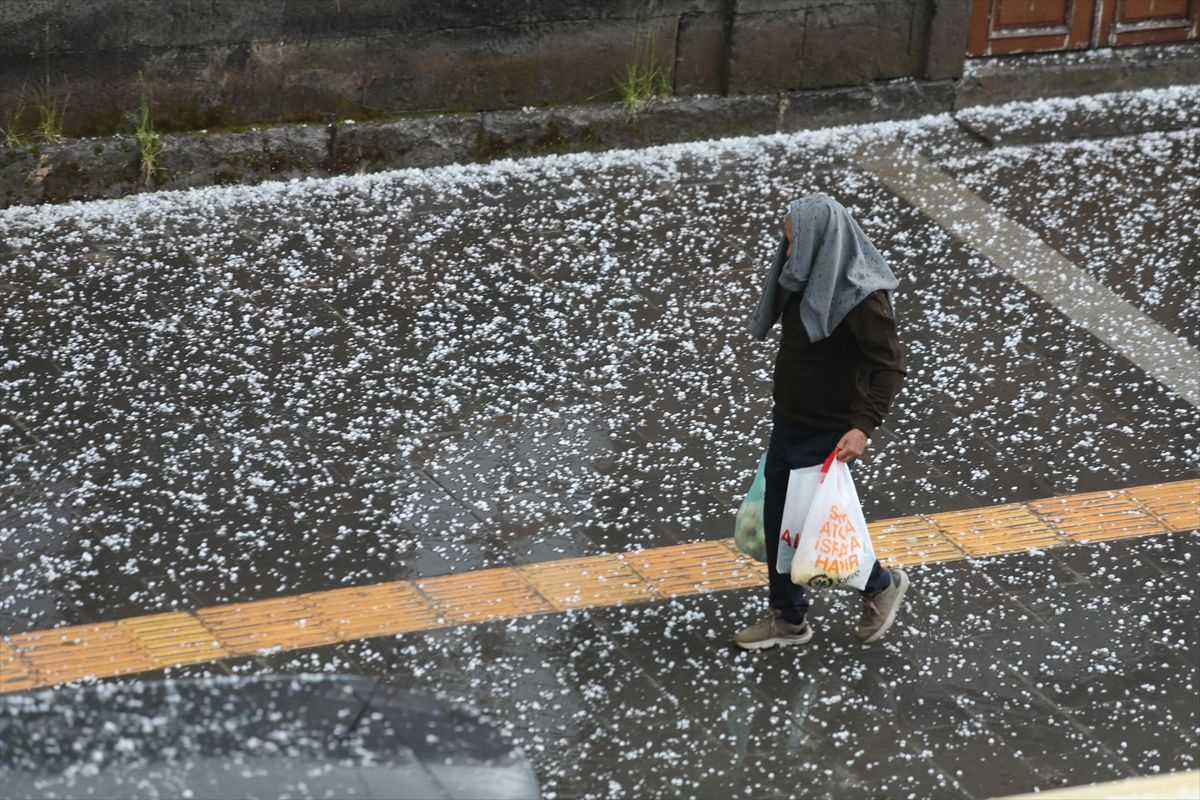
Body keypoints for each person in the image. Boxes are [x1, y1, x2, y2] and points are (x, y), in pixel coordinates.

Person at [734, 193, 909, 650]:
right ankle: (788, 616)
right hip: (791, 418)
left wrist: (863, 427)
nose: (787, 254)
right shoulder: (804, 277)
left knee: (815, 524)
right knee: (780, 521)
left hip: (830, 429)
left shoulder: (861, 297)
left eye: (795, 244)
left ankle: (878, 584)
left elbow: (889, 366)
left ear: (820, 241)